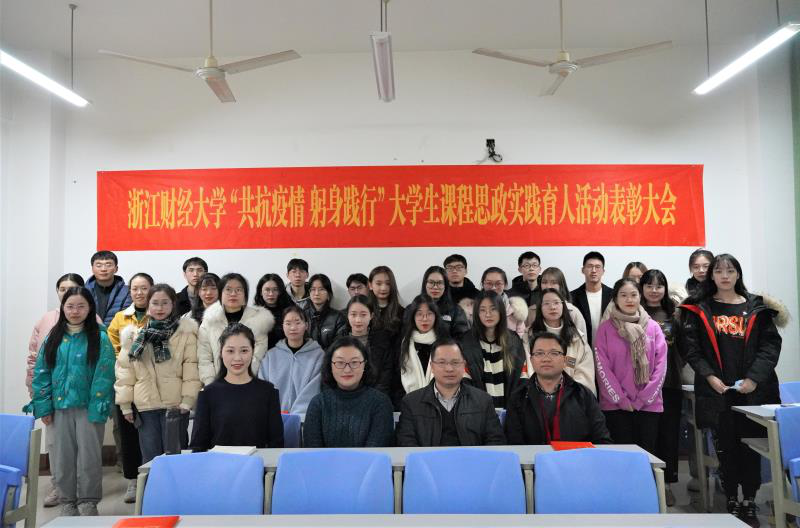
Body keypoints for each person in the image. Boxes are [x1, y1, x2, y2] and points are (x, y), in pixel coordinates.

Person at [681, 254, 784, 526]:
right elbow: (692, 349)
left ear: (738, 274)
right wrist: (710, 376)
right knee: (724, 448)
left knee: (750, 447)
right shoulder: (700, 309)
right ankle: (731, 499)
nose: (724, 276)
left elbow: (770, 347)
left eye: (730, 270)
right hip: (718, 392)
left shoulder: (756, 308)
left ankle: (749, 499)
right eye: (719, 271)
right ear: (711, 276)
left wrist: (753, 379)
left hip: (752, 392)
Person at [26, 287, 115, 517]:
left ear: (89, 308)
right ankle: (67, 502)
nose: (75, 311)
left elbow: (104, 376)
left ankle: (88, 502)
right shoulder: (53, 338)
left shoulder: (100, 338)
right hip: (58, 409)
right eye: (70, 306)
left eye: (81, 306)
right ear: (63, 308)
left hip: (88, 408)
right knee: (61, 458)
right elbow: (41, 373)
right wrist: (44, 406)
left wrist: (98, 409)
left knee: (89, 457)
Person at [116, 284, 201, 465]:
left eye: (165, 303)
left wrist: (187, 400)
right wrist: (125, 405)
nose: (160, 308)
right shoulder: (134, 337)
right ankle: (152, 485)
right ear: (148, 305)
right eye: (155, 303)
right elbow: (125, 372)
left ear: (173, 304)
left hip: (176, 406)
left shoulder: (186, 334)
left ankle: (177, 486)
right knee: (150, 459)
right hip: (146, 406)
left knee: (176, 457)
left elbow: (192, 370)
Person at [594, 278, 667, 455]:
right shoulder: (605, 329)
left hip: (648, 406)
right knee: (620, 458)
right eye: (623, 295)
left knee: (647, 458)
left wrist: (643, 399)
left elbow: (661, 366)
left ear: (640, 297)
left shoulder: (653, 327)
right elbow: (602, 368)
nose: (629, 299)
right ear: (615, 299)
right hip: (615, 407)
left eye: (634, 295)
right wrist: (621, 400)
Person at [190, 323, 284, 451]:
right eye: (230, 351)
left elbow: (277, 445)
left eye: (244, 350)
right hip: (219, 462)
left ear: (253, 351)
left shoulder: (268, 392)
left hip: (257, 462)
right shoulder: (207, 394)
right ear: (221, 353)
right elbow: (198, 446)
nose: (237, 358)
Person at [505, 332, 611, 445]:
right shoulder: (518, 397)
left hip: (576, 456)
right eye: (539, 353)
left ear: (565, 359)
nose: (546, 359)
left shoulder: (584, 395)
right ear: (531, 360)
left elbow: (602, 439)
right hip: (533, 457)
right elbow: (514, 444)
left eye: (554, 353)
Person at [396, 338, 505, 447]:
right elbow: (406, 444)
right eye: (442, 362)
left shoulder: (483, 401)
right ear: (432, 366)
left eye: (455, 362)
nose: (449, 369)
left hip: (472, 458)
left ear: (464, 365)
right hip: (427, 459)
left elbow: (496, 441)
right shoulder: (411, 403)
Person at [106, 272, 153, 504]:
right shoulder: (120, 318)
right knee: (129, 435)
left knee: (153, 434)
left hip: (153, 385)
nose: (139, 292)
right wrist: (129, 360)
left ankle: (155, 479)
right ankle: (133, 481)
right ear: (129, 291)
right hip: (127, 382)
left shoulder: (160, 313)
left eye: (144, 288)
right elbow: (112, 347)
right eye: (135, 288)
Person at [640, 269, 684, 507]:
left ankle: (666, 483)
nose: (654, 290)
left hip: (669, 383)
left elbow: (684, 348)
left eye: (659, 286)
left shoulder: (674, 314)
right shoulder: (634, 312)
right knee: (647, 434)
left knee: (669, 434)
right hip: (641, 385)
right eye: (649, 285)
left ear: (665, 289)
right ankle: (646, 482)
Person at [304, 336, 395, 447]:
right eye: (340, 363)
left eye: (354, 362)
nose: (347, 370)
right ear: (330, 366)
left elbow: (375, 452)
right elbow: (313, 452)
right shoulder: (318, 403)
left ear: (365, 364)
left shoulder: (380, 403)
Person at [197, 273, 274, 386]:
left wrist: (242, 380)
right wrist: (212, 384)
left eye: (238, 290)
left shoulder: (259, 321)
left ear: (245, 295)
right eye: (228, 290)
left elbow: (257, 357)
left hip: (249, 384)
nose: (233, 294)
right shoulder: (209, 321)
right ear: (220, 293)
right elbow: (204, 358)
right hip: (216, 385)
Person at [459, 291, 527, 409]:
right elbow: (464, 381)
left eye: (493, 309)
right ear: (477, 314)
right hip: (477, 411)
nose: (488, 314)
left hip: (511, 411)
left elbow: (522, 378)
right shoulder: (465, 342)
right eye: (482, 310)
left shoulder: (514, 341)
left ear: (501, 311)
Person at [258, 306, 324, 414]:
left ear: (306, 325)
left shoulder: (318, 355)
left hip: (305, 417)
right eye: (288, 323)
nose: (293, 328)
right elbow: (262, 387)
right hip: (274, 416)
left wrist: (297, 415)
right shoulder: (270, 356)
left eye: (298, 322)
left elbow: (314, 389)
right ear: (282, 326)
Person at [530, 288, 596, 395]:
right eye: (547, 303)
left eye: (556, 303)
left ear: (563, 306)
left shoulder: (576, 337)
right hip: (538, 396)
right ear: (540, 308)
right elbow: (528, 368)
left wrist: (566, 394)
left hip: (572, 397)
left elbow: (585, 372)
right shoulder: (530, 336)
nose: (552, 307)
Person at [393, 295, 447, 407]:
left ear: (436, 316)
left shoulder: (445, 342)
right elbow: (396, 378)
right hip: (408, 403)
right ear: (413, 316)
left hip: (442, 403)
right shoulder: (403, 342)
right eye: (419, 314)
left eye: (429, 314)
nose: (425, 318)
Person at [336, 295, 394, 396]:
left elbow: (385, 377)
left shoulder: (382, 341)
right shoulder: (338, 342)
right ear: (347, 315)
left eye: (363, 315)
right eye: (353, 315)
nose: (358, 320)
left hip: (375, 397)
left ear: (371, 316)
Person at [570, 251, 613, 347]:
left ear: (603, 271)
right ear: (583, 270)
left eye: (597, 267)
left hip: (608, 348)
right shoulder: (572, 297)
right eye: (590, 266)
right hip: (582, 348)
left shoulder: (613, 295)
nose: (594, 270)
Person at [480, 267, 529, 343]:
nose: (493, 288)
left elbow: (521, 335)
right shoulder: (474, 308)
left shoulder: (516, 309)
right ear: (483, 284)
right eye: (489, 283)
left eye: (498, 283)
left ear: (505, 285)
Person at [420, 265, 469, 339]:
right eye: (431, 282)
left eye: (440, 283)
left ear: (445, 286)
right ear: (425, 284)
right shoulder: (412, 308)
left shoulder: (456, 311)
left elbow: (463, 339)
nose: (435, 287)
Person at [85, 250, 131, 326]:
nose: (103, 269)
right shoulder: (83, 291)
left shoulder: (127, 292)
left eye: (108, 265)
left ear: (116, 269)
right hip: (90, 332)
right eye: (99, 265)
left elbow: (126, 318)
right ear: (92, 269)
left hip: (116, 332)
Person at [538, 266, 587, 335]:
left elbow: (582, 339)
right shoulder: (532, 310)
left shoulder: (572, 312)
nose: (548, 286)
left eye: (553, 282)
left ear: (561, 285)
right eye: (544, 282)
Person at [303, 273, 347, 350]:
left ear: (328, 294)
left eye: (321, 289)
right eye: (313, 289)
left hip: (330, 356)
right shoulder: (302, 315)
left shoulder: (338, 317)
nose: (316, 293)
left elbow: (339, 345)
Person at [253, 273, 293, 348]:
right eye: (267, 290)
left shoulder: (290, 311)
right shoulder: (253, 313)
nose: (271, 294)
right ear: (261, 292)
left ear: (280, 291)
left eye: (275, 289)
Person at [368, 266, 405, 338]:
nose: (383, 288)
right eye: (378, 283)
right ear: (370, 285)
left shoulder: (402, 312)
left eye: (388, 283)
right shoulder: (365, 310)